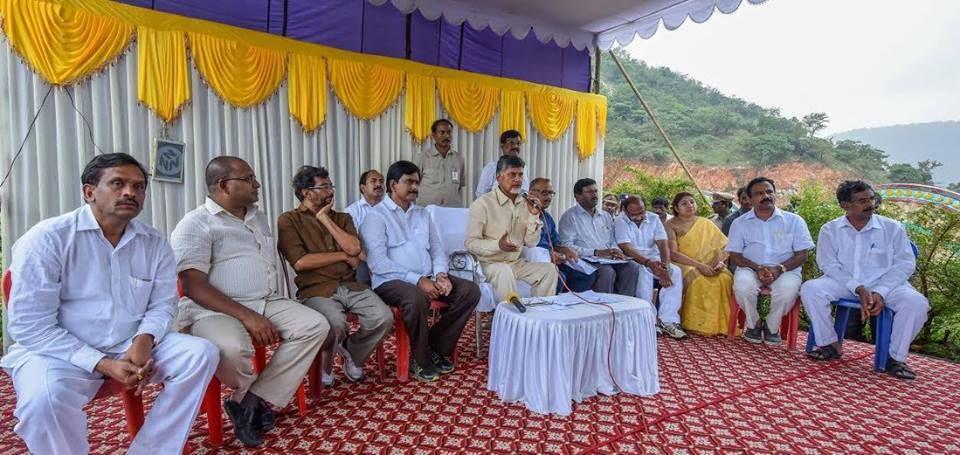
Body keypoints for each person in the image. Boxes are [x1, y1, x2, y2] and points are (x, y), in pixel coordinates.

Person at [1, 153, 219, 454]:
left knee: (200, 354)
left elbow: (163, 304)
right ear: (89, 192)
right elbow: (30, 326)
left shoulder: (153, 243)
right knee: (43, 402)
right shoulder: (47, 240)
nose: (130, 192)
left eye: (139, 186)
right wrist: (102, 363)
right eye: (118, 183)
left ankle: (151, 450)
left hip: (130, 345)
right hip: (59, 353)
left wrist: (144, 340)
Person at [171, 156, 328, 447]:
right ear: (223, 185)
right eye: (248, 178)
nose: (257, 184)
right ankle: (248, 399)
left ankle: (251, 400)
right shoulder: (195, 224)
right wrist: (247, 316)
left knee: (316, 325)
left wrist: (257, 310)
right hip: (212, 310)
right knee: (232, 348)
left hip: (266, 300)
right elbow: (192, 285)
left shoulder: (257, 215)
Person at [362, 161, 481, 382]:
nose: (415, 187)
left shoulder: (423, 214)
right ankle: (422, 359)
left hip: (426, 276)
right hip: (391, 281)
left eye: (417, 182)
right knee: (416, 299)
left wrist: (441, 275)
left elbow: (437, 250)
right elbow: (378, 263)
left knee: (470, 291)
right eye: (409, 182)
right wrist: (417, 280)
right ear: (393, 184)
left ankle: (435, 346)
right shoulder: (375, 216)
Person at [277, 166, 393, 388]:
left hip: (350, 285)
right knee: (336, 324)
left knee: (384, 318)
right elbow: (301, 262)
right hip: (316, 289)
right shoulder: (289, 220)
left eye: (331, 185)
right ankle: (326, 362)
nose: (331, 191)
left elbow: (355, 249)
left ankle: (352, 351)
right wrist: (341, 255)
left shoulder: (342, 218)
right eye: (325, 186)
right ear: (306, 192)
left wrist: (324, 218)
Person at [800, 180, 929, 379]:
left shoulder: (892, 228)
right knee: (811, 289)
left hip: (888, 285)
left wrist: (881, 291)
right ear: (845, 205)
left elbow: (904, 264)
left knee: (916, 303)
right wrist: (858, 288)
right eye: (862, 200)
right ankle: (829, 343)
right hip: (845, 283)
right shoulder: (830, 229)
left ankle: (895, 358)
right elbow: (829, 265)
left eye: (871, 199)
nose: (870, 204)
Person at [727, 177, 814, 345]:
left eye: (769, 192)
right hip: (750, 268)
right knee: (743, 286)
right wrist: (757, 268)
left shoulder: (794, 221)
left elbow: (802, 255)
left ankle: (771, 327)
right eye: (759, 193)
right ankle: (754, 324)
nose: (765, 196)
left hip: (786, 270)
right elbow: (735, 256)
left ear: (775, 194)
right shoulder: (739, 223)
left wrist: (779, 269)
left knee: (788, 290)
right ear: (750, 199)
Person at [466, 155, 558, 301]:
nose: (518, 179)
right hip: (489, 264)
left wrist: (534, 215)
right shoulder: (482, 204)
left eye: (520, 175)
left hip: (514, 263)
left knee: (549, 270)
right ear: (499, 178)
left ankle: (540, 317)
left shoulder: (526, 203)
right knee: (504, 271)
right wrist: (498, 245)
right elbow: (471, 244)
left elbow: (531, 242)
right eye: (512, 175)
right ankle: (512, 319)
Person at [615, 196, 686, 339]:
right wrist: (648, 263)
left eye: (641, 212)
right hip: (633, 260)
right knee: (643, 273)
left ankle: (669, 320)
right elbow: (626, 247)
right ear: (624, 210)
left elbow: (662, 244)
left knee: (675, 272)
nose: (639, 216)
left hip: (655, 259)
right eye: (634, 214)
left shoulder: (653, 219)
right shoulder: (620, 221)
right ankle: (650, 319)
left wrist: (665, 267)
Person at [664, 192, 734, 335]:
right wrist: (700, 266)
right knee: (696, 277)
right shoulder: (670, 225)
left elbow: (720, 247)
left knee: (725, 278)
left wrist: (719, 263)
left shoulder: (706, 223)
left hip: (709, 264)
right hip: (682, 263)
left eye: (692, 202)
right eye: (684, 203)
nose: (690, 205)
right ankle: (694, 323)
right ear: (676, 208)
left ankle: (719, 324)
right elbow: (673, 253)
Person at [559, 178, 640, 296]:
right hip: (585, 259)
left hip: (608, 258)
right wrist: (596, 252)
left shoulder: (605, 216)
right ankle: (605, 309)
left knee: (632, 267)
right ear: (578, 196)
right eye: (589, 192)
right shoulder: (569, 217)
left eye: (596, 191)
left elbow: (613, 239)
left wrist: (615, 251)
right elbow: (567, 246)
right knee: (607, 272)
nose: (595, 195)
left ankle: (623, 306)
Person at [528, 177, 596, 293]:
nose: (548, 197)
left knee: (586, 275)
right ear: (530, 193)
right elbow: (525, 244)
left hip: (554, 259)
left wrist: (565, 250)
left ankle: (573, 308)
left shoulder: (547, 217)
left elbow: (556, 242)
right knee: (560, 278)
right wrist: (549, 255)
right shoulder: (524, 214)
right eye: (544, 193)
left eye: (551, 193)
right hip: (535, 260)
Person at [343, 169, 385, 285]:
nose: (378, 184)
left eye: (381, 181)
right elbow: (353, 246)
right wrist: (373, 263)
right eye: (373, 181)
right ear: (363, 188)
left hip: (389, 258)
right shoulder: (352, 212)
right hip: (364, 261)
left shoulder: (391, 209)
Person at [414, 119, 465, 207]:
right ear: (433, 135)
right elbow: (414, 183)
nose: (446, 136)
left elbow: (459, 186)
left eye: (449, 132)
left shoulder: (459, 158)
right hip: (427, 210)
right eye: (442, 132)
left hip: (452, 210)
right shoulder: (423, 157)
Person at [475, 130, 529, 197]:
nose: (515, 146)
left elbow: (525, 191)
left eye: (518, 143)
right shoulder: (491, 168)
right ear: (502, 145)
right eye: (511, 143)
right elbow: (481, 195)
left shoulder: (524, 167)